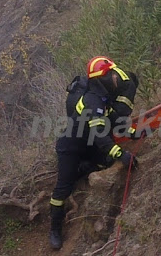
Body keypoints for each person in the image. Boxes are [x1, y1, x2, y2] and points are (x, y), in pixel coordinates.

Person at [49, 56, 140, 250]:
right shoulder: (92, 100)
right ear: (102, 78)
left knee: (105, 161)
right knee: (62, 190)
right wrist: (120, 153)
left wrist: (132, 133)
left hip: (88, 146)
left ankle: (82, 169)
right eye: (111, 75)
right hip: (71, 148)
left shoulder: (103, 97)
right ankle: (54, 229)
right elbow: (100, 135)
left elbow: (110, 122)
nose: (115, 77)